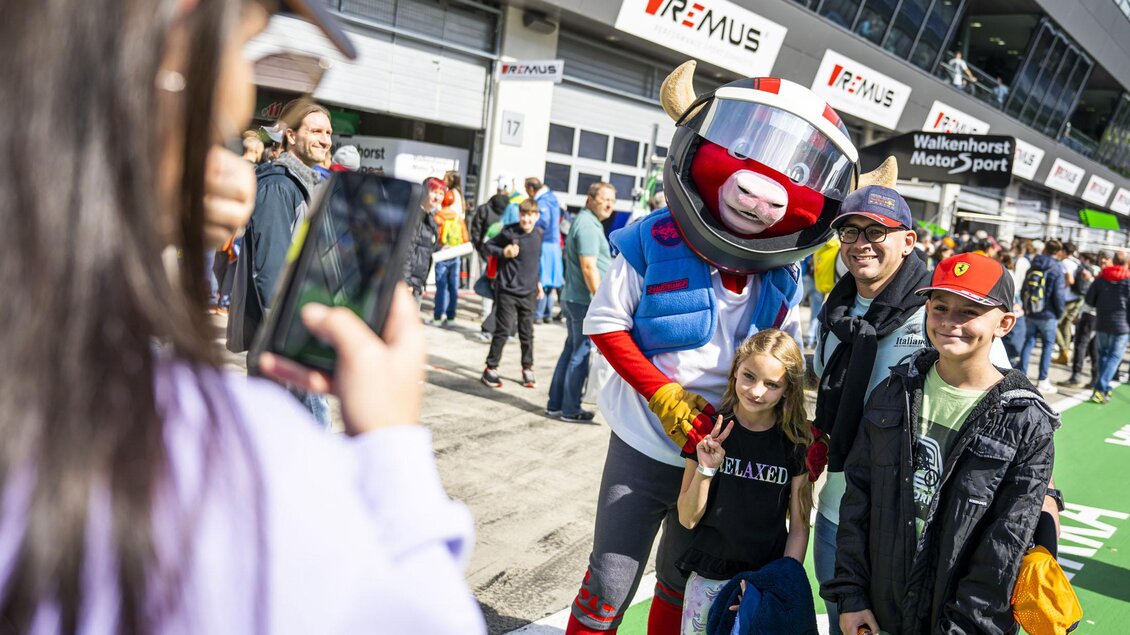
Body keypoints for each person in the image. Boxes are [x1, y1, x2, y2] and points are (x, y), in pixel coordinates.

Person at [0, 0, 485, 632]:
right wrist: (392, 438)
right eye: (244, 48)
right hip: (292, 346)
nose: (240, 97)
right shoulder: (224, 457)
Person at [566, 62, 862, 635]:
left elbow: (782, 366)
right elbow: (605, 325)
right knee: (610, 576)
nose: (760, 193)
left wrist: (800, 435)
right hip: (643, 441)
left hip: (721, 451)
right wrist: (665, 397)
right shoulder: (653, 237)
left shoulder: (782, 278)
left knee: (686, 580)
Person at [822, 253, 1056, 634]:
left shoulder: (1026, 422)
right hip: (881, 606)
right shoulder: (894, 390)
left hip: (960, 618)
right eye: (940, 307)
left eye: (969, 312)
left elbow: (1005, 546)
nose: (950, 322)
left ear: (1005, 323)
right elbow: (858, 500)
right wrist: (852, 596)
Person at [676, 330, 813, 634]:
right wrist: (706, 469)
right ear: (736, 369)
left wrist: (779, 583)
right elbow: (687, 518)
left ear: (788, 389)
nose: (757, 391)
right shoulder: (707, 430)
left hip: (762, 582)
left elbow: (800, 527)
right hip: (709, 579)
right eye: (749, 376)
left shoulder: (795, 443)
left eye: (772, 384)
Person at [547, 182, 615, 422]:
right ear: (590, 199)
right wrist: (600, 301)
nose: (609, 204)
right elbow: (589, 267)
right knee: (580, 351)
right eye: (604, 198)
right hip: (584, 300)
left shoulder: (588, 222)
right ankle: (570, 408)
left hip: (576, 298)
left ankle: (556, 404)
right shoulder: (587, 225)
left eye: (612, 200)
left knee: (571, 349)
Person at [481, 199, 544, 389]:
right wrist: (504, 251)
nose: (526, 219)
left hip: (529, 291)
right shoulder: (510, 232)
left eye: (530, 215)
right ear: (519, 216)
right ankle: (490, 368)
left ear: (537, 217)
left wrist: (538, 282)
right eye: (523, 215)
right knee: (503, 329)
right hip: (507, 290)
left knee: (527, 333)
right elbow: (488, 246)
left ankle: (527, 368)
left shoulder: (538, 235)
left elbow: (533, 262)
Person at [1018, 239, 1068, 394]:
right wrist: (1059, 313)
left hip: (1032, 310)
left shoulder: (1034, 263)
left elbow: (1024, 287)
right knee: (1047, 345)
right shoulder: (1056, 268)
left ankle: (1021, 377)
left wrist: (1027, 306)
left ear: (1045, 248)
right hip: (1049, 313)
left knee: (1029, 341)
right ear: (1058, 252)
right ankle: (1042, 380)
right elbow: (1059, 295)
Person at [1085, 251, 1130, 403]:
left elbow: (1089, 300)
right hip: (1122, 324)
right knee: (1114, 357)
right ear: (1126, 263)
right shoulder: (1128, 279)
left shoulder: (1101, 277)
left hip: (1102, 321)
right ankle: (1099, 388)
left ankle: (1105, 388)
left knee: (1103, 356)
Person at [526, 176, 565, 323]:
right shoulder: (552, 198)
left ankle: (538, 315)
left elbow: (543, 221)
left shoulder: (542, 201)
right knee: (551, 282)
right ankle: (547, 314)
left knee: (542, 280)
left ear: (531, 189)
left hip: (545, 243)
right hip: (555, 244)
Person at [403, 177, 444, 308]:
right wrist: (406, 282)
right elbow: (407, 251)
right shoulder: (414, 216)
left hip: (418, 283)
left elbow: (425, 249)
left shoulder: (431, 219)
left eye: (441, 193)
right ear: (425, 191)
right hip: (408, 284)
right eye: (434, 192)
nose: (437, 197)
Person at [432, 184, 468, 327]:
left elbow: (436, 238)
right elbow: (465, 238)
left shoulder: (438, 216)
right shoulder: (457, 217)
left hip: (442, 253)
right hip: (455, 254)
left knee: (441, 287)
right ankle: (451, 318)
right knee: (453, 287)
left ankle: (437, 318)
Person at [1055, 242, 1084, 365]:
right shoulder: (1077, 261)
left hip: (1067, 299)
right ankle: (1065, 354)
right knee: (1066, 325)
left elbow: (1070, 280)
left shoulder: (1065, 263)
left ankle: (1064, 350)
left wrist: (1062, 288)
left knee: (1055, 324)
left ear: (1064, 251)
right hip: (1077, 298)